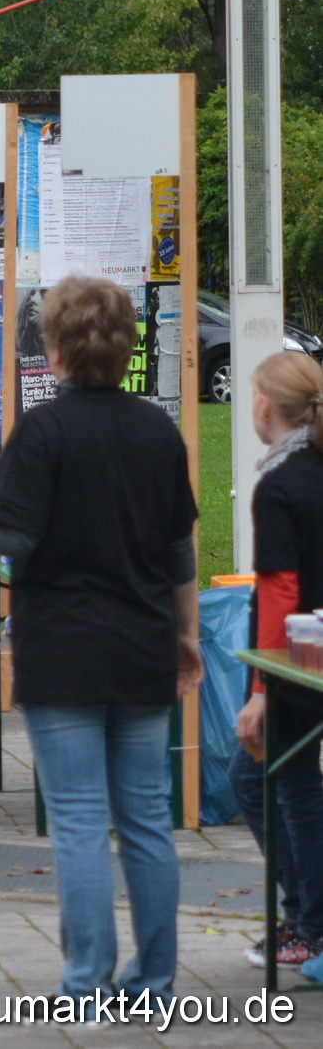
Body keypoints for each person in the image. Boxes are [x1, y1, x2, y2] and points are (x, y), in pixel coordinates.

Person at [0, 277, 198, 1004]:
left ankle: (86, 982)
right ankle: (155, 982)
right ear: (129, 346)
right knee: (146, 817)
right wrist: (186, 632)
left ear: (54, 347)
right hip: (144, 639)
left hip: (64, 645)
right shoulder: (157, 431)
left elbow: (6, 534)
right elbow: (179, 548)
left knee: (81, 820)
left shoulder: (44, 432)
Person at [230, 351, 323, 970]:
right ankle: (305, 918)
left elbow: (279, 589)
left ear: (265, 405)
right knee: (282, 783)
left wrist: (263, 685)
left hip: (294, 658)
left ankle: (308, 923)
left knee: (278, 783)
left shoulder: (281, 486)